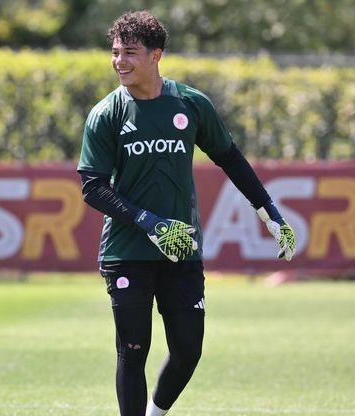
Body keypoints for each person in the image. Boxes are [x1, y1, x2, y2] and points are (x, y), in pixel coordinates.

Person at [77, 10, 296, 416]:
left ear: (156, 55)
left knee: (188, 351)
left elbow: (230, 159)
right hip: (127, 250)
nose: (119, 62)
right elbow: (93, 187)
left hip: (181, 247)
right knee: (132, 349)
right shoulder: (106, 113)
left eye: (130, 53)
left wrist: (270, 213)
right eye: (115, 52)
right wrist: (148, 222)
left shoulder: (191, 104)